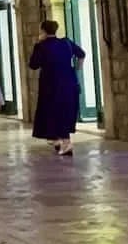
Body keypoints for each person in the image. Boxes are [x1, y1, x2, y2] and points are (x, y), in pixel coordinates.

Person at [29, 19, 86, 156]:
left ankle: (65, 143)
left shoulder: (41, 46)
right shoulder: (66, 43)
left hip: (51, 85)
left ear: (43, 31)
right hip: (69, 82)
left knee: (51, 112)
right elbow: (81, 54)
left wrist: (38, 45)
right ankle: (58, 140)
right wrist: (76, 69)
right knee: (65, 111)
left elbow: (33, 64)